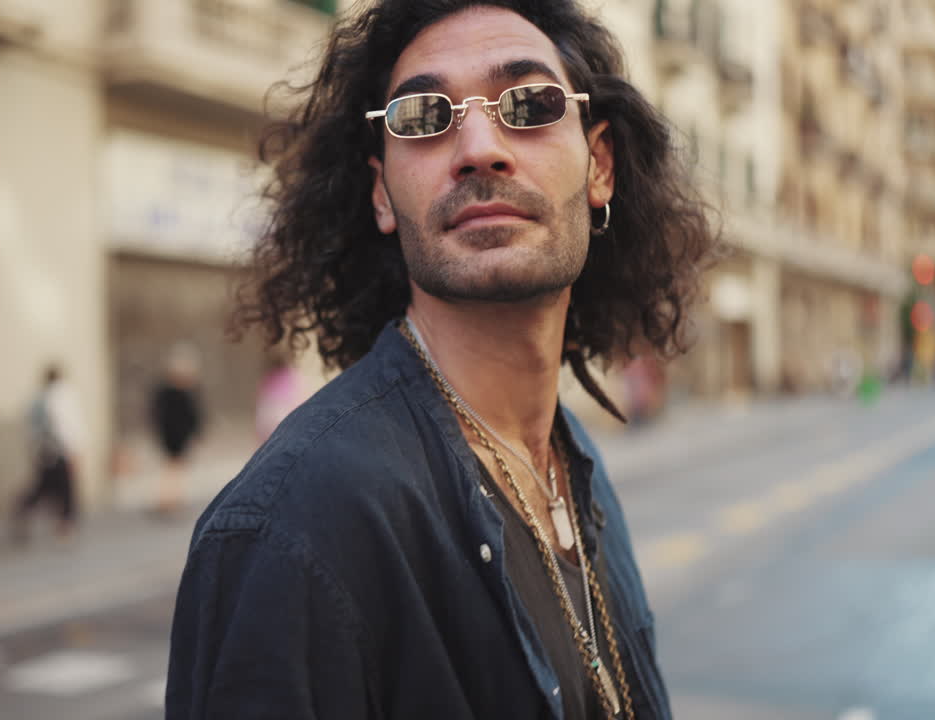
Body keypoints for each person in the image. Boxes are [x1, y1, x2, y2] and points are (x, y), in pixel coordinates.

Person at [167, 1, 718, 718]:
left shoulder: (573, 462)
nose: (480, 147)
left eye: (528, 104)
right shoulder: (293, 528)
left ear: (600, 165)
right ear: (381, 193)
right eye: (426, 117)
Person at [11, 364, 85, 542]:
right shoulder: (62, 396)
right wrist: (74, 450)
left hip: (43, 451)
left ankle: (25, 508)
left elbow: (30, 427)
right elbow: (66, 426)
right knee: (65, 489)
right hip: (59, 450)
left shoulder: (38, 398)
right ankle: (65, 527)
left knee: (45, 486)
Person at [151, 344, 204, 516]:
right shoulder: (178, 393)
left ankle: (170, 499)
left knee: (173, 468)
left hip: (172, 434)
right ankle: (170, 500)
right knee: (174, 468)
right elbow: (192, 415)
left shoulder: (169, 392)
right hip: (175, 435)